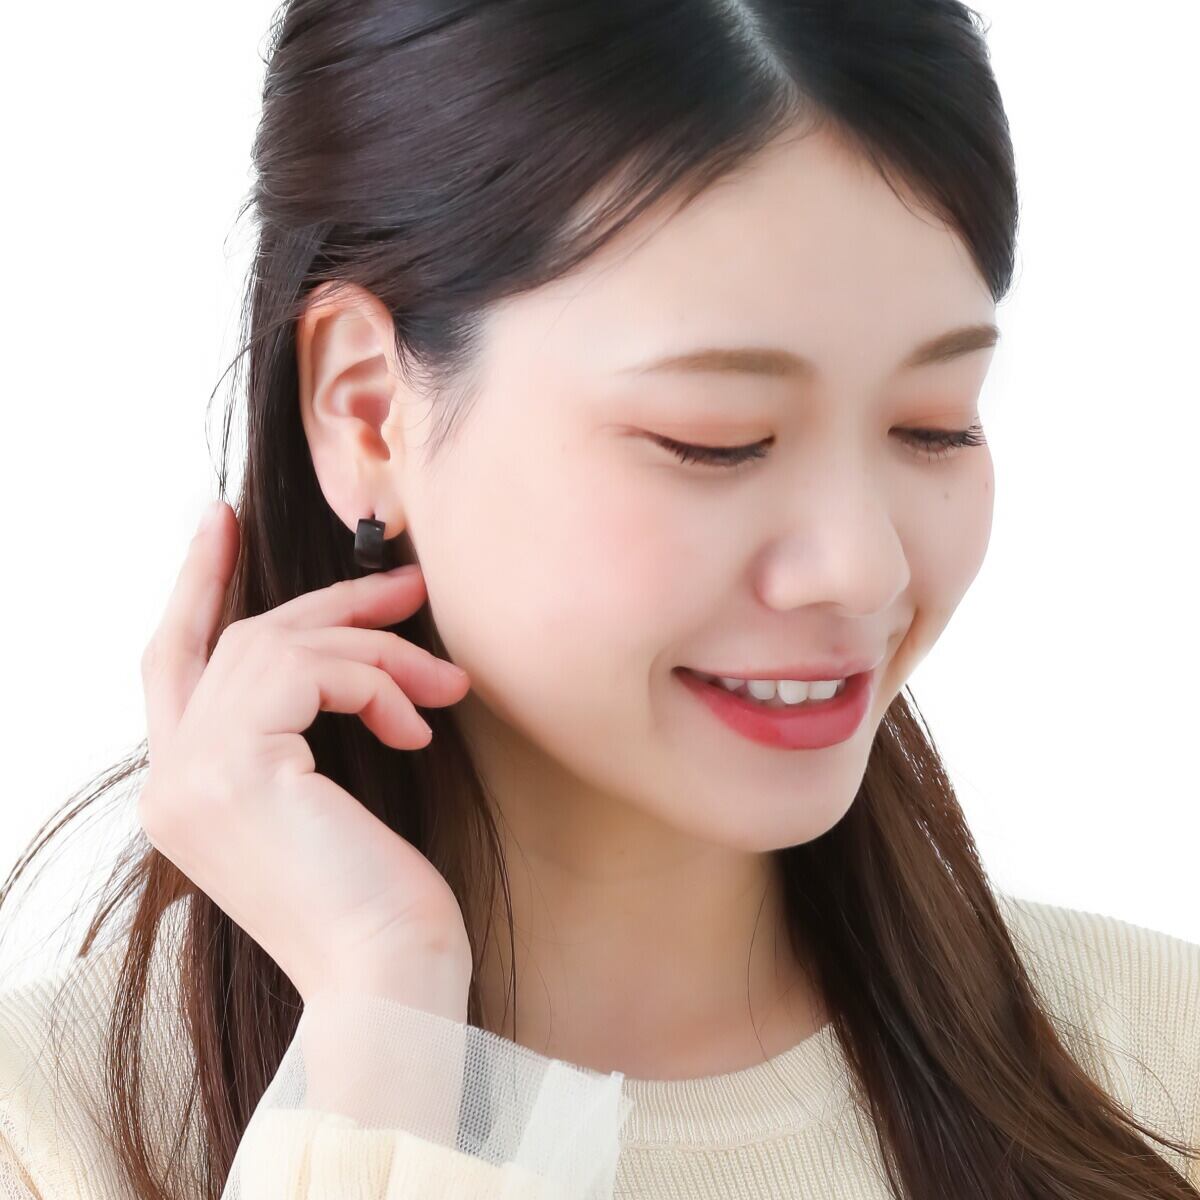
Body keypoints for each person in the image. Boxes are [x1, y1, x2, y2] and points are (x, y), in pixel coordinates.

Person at [2, 1, 1198, 1197]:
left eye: (934, 426)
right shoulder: (48, 1135)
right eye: (716, 438)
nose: (863, 567)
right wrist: (384, 1016)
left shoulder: (1164, 1075)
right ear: (367, 412)